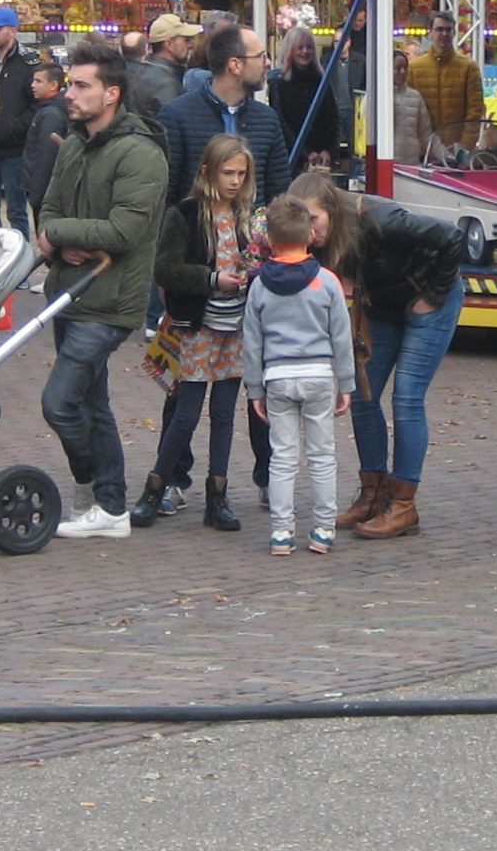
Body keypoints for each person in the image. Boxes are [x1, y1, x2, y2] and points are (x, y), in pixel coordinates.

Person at [40, 41, 170, 539]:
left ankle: (92, 486)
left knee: (60, 402)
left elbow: (124, 232)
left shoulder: (139, 153)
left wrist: (63, 234)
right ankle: (108, 505)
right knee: (92, 403)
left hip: (110, 299)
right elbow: (47, 210)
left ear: (111, 93)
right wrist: (60, 237)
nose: (69, 94)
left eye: (80, 85)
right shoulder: (74, 143)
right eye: (70, 84)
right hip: (69, 291)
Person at [293, 172, 466, 540]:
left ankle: (404, 504)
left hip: (428, 301)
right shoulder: (314, 238)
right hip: (382, 305)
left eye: (313, 220)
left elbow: (452, 237)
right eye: (301, 222)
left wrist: (432, 295)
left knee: (407, 396)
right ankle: (373, 494)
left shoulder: (380, 219)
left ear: (332, 212)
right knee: (362, 394)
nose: (309, 231)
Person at [137, 133, 256, 531]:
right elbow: (165, 269)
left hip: (234, 328)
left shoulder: (247, 216)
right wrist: (211, 278)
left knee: (224, 414)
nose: (235, 181)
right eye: (228, 172)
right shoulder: (186, 214)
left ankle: (217, 495)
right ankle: (155, 487)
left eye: (241, 173)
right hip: (197, 326)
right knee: (186, 413)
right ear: (208, 171)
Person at [245, 194, 356, 556]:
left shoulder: (260, 285)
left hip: (278, 377)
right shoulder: (327, 282)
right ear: (310, 234)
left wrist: (254, 389)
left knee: (282, 457)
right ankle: (323, 529)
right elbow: (341, 337)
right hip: (320, 375)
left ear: (271, 241)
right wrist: (346, 383)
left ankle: (281, 532)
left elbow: (253, 341)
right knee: (322, 456)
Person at [160, 24, 287, 224]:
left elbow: (279, 192)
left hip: (252, 245)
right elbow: (165, 193)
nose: (268, 63)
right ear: (235, 65)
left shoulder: (267, 119)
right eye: (261, 56)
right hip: (195, 244)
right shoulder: (177, 116)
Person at [0, 5, 37, 230]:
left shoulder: (29, 62)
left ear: (12, 31)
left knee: (16, 210)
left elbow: (36, 103)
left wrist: (15, 129)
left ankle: (20, 259)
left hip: (14, 149)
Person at [409, 12, 486, 151]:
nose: (444, 34)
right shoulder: (414, 68)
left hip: (456, 149)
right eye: (439, 29)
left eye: (448, 30)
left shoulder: (469, 67)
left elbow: (475, 111)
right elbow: (410, 113)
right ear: (430, 33)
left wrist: (465, 146)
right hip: (423, 152)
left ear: (454, 33)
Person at [274, 26, 345, 176]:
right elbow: (281, 122)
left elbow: (333, 117)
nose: (305, 51)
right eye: (300, 47)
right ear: (290, 50)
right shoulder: (279, 83)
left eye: (309, 47)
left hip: (322, 160)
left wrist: (329, 150)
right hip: (292, 159)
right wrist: (305, 152)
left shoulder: (322, 80)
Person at [22, 62, 69, 217]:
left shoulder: (51, 114)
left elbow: (46, 157)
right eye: (33, 80)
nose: (33, 85)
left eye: (39, 81)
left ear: (53, 85)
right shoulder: (45, 109)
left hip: (45, 194)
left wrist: (37, 195)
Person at [130, 14, 196, 117]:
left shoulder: (147, 70)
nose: (191, 44)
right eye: (186, 40)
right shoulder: (165, 83)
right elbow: (174, 123)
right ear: (169, 44)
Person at [388, 44, 437, 166]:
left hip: (411, 165)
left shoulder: (415, 96)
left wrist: (446, 157)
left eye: (405, 67)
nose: (402, 72)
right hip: (387, 165)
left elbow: (426, 134)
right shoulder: (377, 97)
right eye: (397, 68)